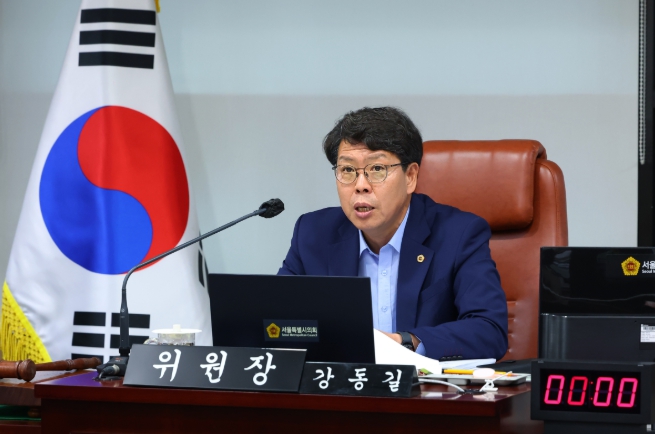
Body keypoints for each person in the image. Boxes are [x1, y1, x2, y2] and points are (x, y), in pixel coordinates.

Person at [278, 107, 508, 360]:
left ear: (410, 177)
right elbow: (276, 322)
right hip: (343, 382)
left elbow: (489, 330)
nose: (361, 185)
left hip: (422, 384)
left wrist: (404, 343)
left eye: (377, 169)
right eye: (348, 171)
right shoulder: (313, 234)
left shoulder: (459, 234)